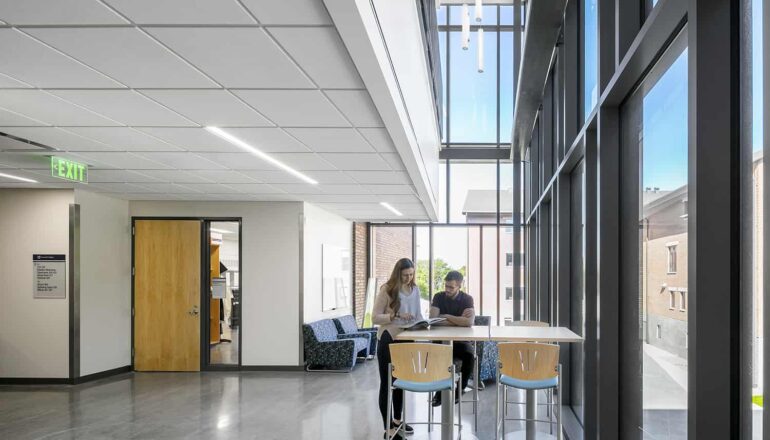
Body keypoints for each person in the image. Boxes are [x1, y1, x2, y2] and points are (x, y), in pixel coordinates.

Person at [372, 258, 423, 439]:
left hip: (407, 338)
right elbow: (375, 317)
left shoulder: (415, 289)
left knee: (400, 382)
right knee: (387, 383)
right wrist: (395, 315)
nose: (408, 278)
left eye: (411, 274)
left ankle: (397, 420)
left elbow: (418, 315)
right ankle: (388, 429)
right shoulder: (387, 289)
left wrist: (424, 323)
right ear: (398, 274)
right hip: (389, 338)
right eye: (405, 275)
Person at [429, 270, 475, 407]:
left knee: (469, 355)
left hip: (460, 342)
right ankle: (439, 390)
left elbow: (468, 322)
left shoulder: (467, 299)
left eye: (451, 287)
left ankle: (459, 389)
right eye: (446, 286)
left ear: (459, 286)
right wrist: (458, 319)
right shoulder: (438, 296)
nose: (447, 290)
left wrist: (446, 316)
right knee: (438, 353)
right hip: (440, 341)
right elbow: (433, 320)